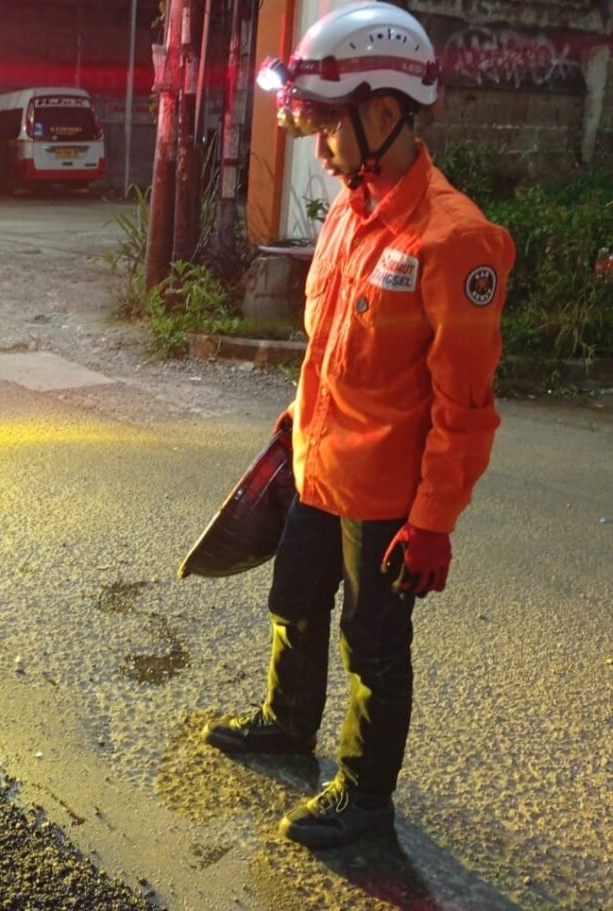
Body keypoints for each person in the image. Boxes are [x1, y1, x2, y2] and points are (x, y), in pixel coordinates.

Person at [202, 1, 515, 849]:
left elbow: (465, 408)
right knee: (293, 601)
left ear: (384, 111)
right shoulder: (349, 209)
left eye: (328, 126)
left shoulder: (457, 240)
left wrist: (433, 524)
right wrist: (299, 418)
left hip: (387, 502)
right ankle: (285, 721)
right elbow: (333, 345)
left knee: (372, 644)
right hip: (318, 466)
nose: (319, 146)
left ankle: (365, 794)